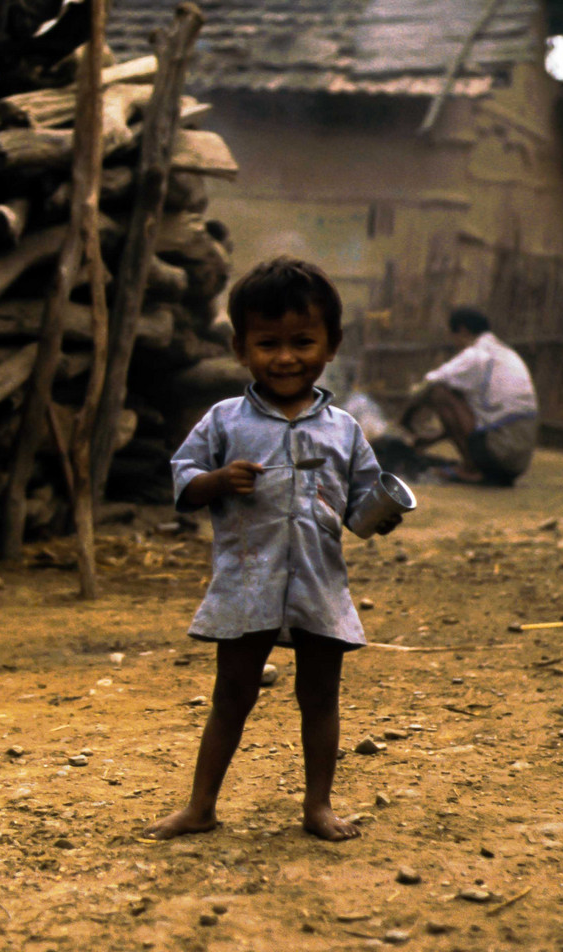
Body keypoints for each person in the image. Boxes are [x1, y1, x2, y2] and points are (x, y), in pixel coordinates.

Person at [143, 257, 401, 843]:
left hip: (318, 582)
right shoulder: (225, 420)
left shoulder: (344, 430)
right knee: (232, 693)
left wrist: (380, 516)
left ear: (331, 345)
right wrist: (215, 481)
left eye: (303, 342)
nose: (285, 357)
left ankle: (318, 807)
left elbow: (366, 495)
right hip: (245, 581)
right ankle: (200, 807)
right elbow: (183, 476)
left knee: (320, 697)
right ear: (240, 348)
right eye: (267, 344)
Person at [403, 306, 538, 485]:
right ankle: (479, 468)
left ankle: (472, 469)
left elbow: (429, 383)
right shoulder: (506, 353)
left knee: (439, 393)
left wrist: (404, 420)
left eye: (452, 335)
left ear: (462, 330)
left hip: (500, 452)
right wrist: (433, 438)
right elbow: (483, 418)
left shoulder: (477, 355)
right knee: (457, 393)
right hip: (517, 461)